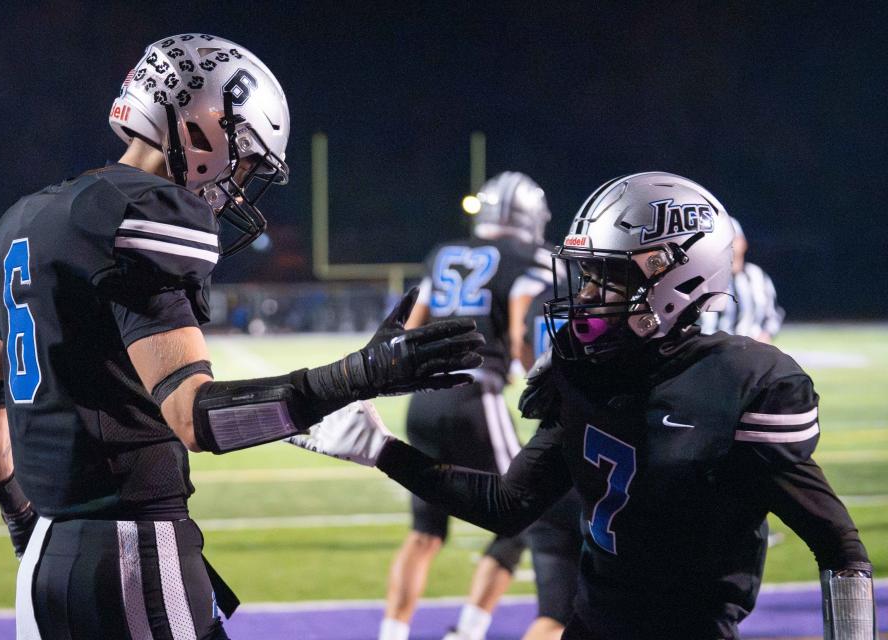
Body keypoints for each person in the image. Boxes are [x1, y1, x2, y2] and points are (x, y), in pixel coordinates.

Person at [0, 34, 483, 640]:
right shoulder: (143, 214)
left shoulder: (30, 221)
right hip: (135, 553)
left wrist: (22, 525)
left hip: (44, 567)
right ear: (199, 127)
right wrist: (357, 376)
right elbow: (194, 418)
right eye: (246, 158)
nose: (239, 182)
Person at [291, 172, 876, 639]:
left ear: (676, 283)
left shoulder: (745, 382)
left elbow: (840, 549)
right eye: (587, 277)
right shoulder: (583, 368)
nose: (586, 297)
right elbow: (508, 503)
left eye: (607, 281)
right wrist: (383, 452)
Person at [379, 172, 553, 640]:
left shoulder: (445, 254)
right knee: (524, 512)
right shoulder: (527, 259)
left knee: (425, 532)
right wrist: (534, 373)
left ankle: (392, 633)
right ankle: (469, 631)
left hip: (425, 401)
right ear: (530, 217)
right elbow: (521, 333)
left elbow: (410, 326)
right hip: (476, 396)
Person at [517, 288, 583, 640]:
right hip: (603, 477)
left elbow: (520, 347)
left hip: (546, 460)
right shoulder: (628, 304)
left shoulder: (541, 297)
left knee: (553, 617)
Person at [700, 217, 784, 343]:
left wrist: (766, 334)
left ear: (743, 242)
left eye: (733, 239)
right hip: (713, 354)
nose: (729, 244)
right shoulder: (705, 279)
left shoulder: (757, 276)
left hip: (752, 353)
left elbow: (774, 314)